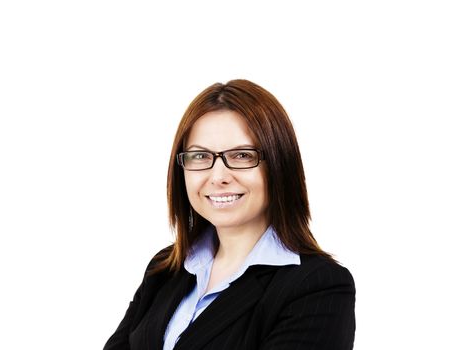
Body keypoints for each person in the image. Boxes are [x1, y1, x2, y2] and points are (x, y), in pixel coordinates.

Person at [104, 79, 356, 350]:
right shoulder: (165, 268)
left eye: (242, 155)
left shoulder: (318, 286)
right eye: (200, 157)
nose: (218, 176)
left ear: (279, 164)